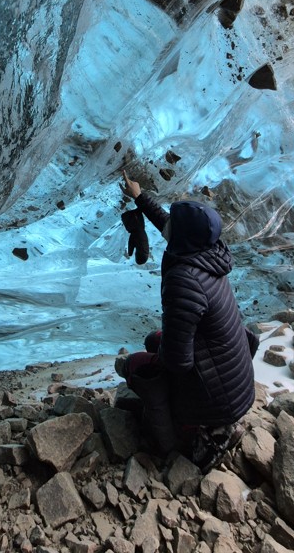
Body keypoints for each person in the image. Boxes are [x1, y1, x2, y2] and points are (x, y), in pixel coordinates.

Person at [117, 171, 257, 472]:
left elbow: (178, 362)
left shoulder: (185, 280)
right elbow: (170, 226)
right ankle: (209, 423)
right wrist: (139, 197)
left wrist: (139, 363)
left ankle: (173, 445)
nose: (168, 226)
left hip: (218, 399)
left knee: (140, 368)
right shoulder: (208, 253)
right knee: (155, 340)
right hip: (236, 382)